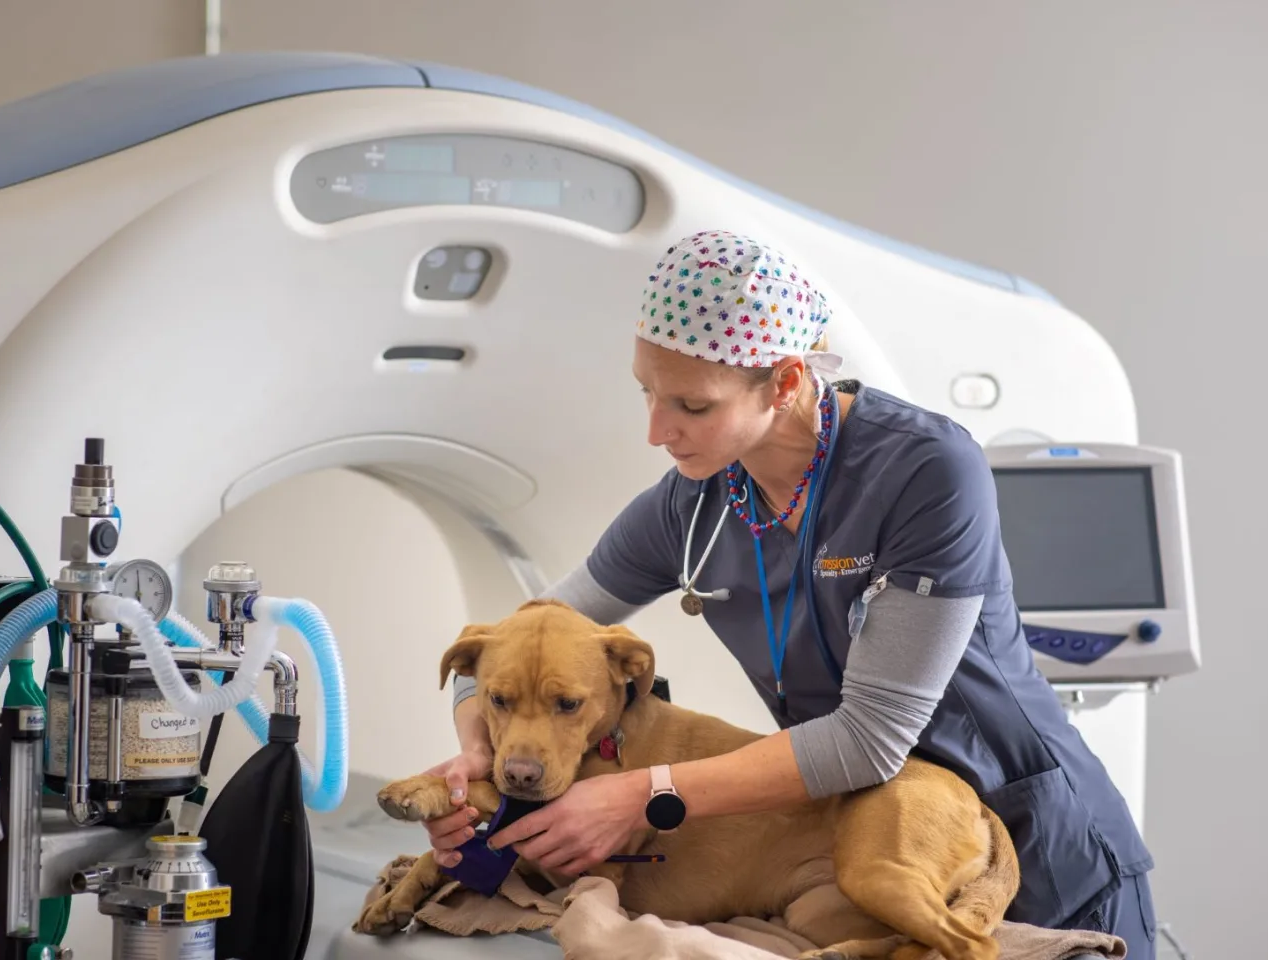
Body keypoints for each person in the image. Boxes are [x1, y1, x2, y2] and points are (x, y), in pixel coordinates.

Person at [414, 229, 1155, 957]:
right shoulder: (691, 505)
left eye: (692, 406)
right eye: (647, 393)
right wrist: (478, 752)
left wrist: (640, 792)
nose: (656, 430)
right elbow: (524, 636)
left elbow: (869, 739)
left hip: (1030, 838)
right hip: (845, 849)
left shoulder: (927, 472)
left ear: (788, 381)